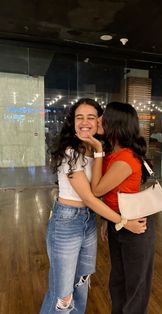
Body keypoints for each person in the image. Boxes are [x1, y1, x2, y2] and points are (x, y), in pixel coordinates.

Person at [40, 98, 147, 314]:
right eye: (80, 117)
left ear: (100, 121)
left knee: (81, 285)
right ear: (73, 122)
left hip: (88, 221)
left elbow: (104, 192)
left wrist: (98, 149)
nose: (86, 122)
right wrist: (123, 222)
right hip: (66, 223)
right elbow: (90, 197)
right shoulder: (71, 152)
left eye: (91, 117)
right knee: (63, 295)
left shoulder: (99, 151)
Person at [81, 102, 156, 314]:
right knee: (118, 282)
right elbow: (113, 194)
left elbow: (96, 190)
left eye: (103, 116)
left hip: (136, 228)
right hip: (120, 222)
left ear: (116, 123)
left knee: (135, 289)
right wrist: (108, 220)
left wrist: (96, 151)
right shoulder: (113, 153)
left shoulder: (125, 158)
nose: (98, 120)